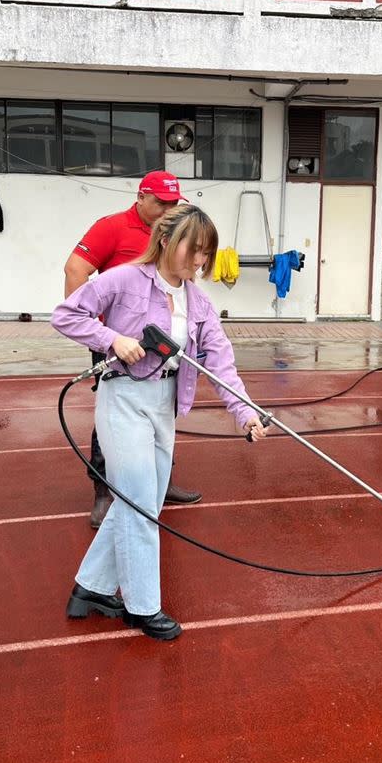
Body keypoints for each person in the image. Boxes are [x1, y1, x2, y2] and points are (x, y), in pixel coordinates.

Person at [52, 205, 267, 641]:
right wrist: (113, 338)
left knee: (141, 500)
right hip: (123, 399)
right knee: (139, 506)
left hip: (164, 404)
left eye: (206, 254)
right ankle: (142, 607)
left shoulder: (199, 301)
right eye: (194, 249)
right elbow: (66, 315)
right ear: (166, 239)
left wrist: (245, 413)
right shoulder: (124, 278)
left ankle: (89, 588)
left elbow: (221, 363)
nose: (199, 262)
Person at [64, 170, 202, 529]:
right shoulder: (111, 227)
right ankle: (103, 491)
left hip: (164, 338)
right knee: (113, 412)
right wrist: (99, 332)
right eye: (161, 202)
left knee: (163, 405)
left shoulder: (175, 231)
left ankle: (161, 479)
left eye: (174, 203)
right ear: (141, 197)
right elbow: (75, 270)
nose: (167, 209)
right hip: (121, 342)